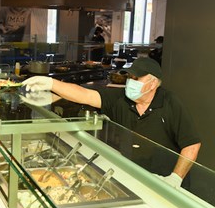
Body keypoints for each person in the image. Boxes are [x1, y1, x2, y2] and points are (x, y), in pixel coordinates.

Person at [23, 57, 201, 189]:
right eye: (129, 77)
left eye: (136, 78)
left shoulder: (170, 103)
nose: (130, 82)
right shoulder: (121, 99)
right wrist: (52, 84)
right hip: (132, 176)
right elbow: (85, 94)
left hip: (165, 181)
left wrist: (175, 178)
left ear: (153, 83)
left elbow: (192, 144)